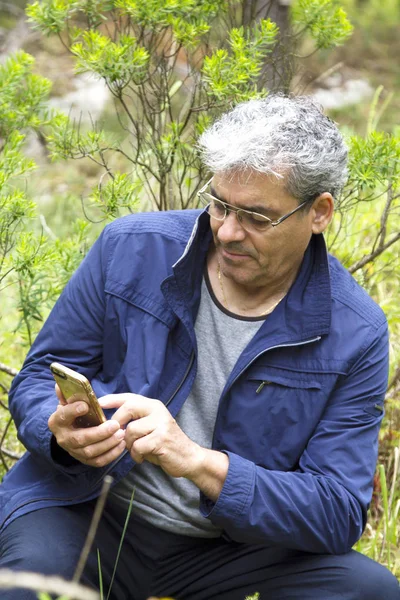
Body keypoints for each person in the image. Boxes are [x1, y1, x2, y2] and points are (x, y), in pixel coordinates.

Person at [0, 94, 398, 600]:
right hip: (88, 512)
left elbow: (336, 510)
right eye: (220, 204)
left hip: (234, 553)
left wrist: (198, 461)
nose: (228, 232)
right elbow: (38, 377)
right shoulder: (129, 248)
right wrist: (60, 434)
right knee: (27, 586)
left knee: (369, 590)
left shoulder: (357, 331)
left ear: (319, 212)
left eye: (256, 217)